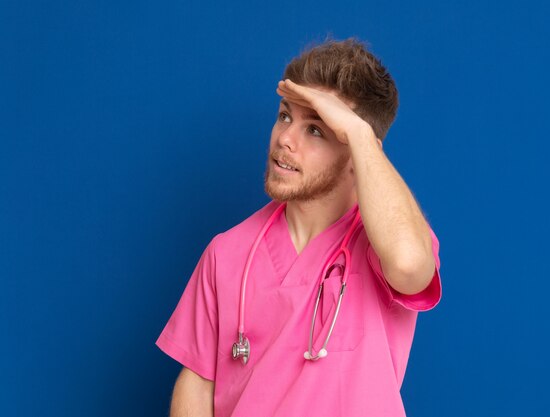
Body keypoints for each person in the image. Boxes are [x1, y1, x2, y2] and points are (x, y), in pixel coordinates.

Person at [156, 38, 442, 417]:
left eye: (317, 130)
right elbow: (197, 384)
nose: (284, 139)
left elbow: (409, 265)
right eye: (285, 115)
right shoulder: (227, 252)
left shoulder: (384, 241)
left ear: (359, 154)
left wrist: (358, 135)